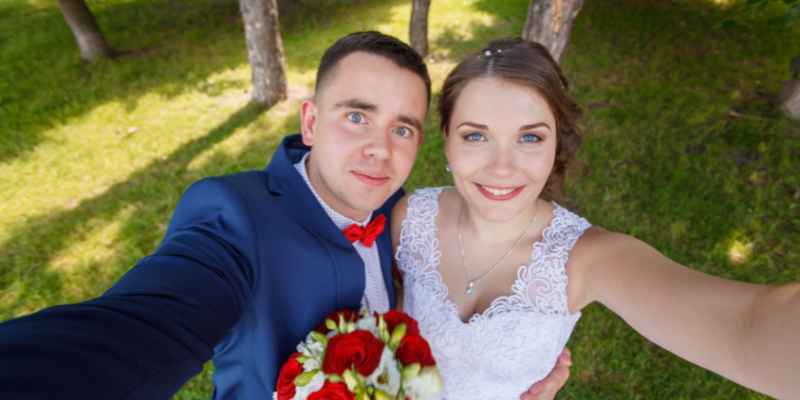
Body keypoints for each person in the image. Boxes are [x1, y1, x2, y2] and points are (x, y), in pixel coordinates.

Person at [0, 32, 568, 400]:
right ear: (311, 123)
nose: (380, 149)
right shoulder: (233, 219)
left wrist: (506, 376)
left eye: (402, 128)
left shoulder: (407, 218)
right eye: (356, 117)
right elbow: (131, 334)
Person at [391, 37, 800, 400]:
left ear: (556, 144)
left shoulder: (587, 260)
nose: (502, 167)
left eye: (530, 137)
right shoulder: (410, 218)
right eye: (476, 136)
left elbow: (744, 327)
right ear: (446, 140)